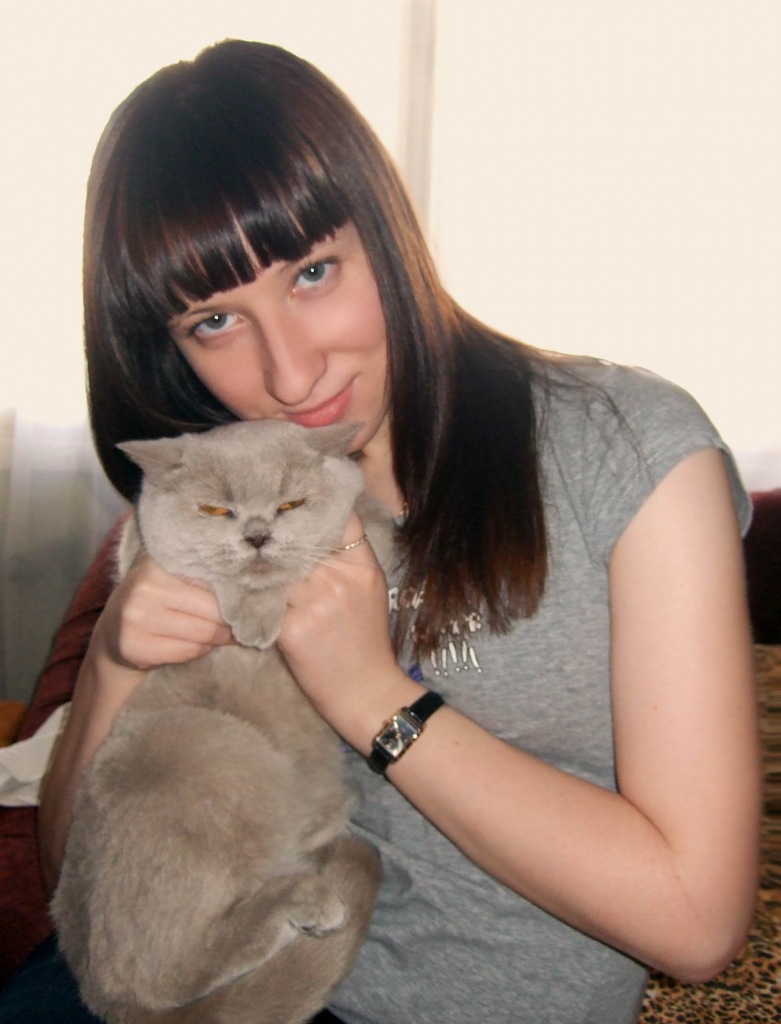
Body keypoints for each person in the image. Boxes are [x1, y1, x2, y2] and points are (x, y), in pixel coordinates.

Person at [0, 39, 760, 1024]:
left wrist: (369, 694)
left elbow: (697, 922)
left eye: (313, 272)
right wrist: (110, 665)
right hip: (222, 985)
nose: (290, 374)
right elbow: (79, 884)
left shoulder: (629, 451)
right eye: (213, 322)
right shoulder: (232, 492)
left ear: (388, 234)